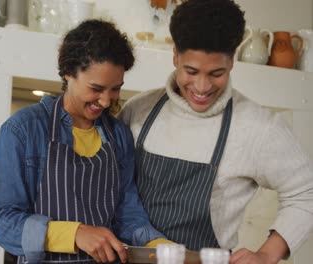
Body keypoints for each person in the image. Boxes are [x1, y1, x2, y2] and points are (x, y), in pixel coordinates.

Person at [118, 0, 313, 263]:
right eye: (191, 71)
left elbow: (306, 193)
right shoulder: (138, 110)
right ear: (175, 55)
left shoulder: (259, 127)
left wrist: (267, 254)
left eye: (216, 73)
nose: (202, 86)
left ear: (233, 60)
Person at [0, 19, 170, 264]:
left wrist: (164, 248)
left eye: (115, 89)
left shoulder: (118, 135)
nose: (106, 101)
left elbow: (128, 215)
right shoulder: (23, 131)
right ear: (68, 73)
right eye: (96, 88)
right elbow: (3, 221)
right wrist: (76, 233)